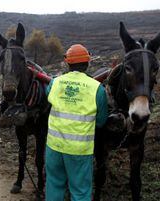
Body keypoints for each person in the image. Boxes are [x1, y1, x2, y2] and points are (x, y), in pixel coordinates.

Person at [45, 44, 108, 201]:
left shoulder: (55, 83)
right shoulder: (97, 89)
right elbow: (101, 121)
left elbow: (48, 96)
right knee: (80, 192)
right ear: (87, 63)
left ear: (68, 63)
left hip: (54, 147)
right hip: (79, 151)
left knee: (54, 185)